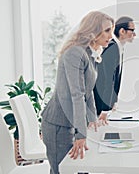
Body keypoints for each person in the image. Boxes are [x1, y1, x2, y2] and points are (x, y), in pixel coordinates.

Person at [41, 11, 114, 174]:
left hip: (71, 123)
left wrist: (92, 120)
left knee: (80, 169)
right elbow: (77, 94)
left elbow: (89, 94)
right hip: (58, 125)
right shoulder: (75, 52)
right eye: (107, 30)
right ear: (93, 31)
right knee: (61, 171)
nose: (111, 35)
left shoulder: (90, 54)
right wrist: (81, 133)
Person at [94, 16, 136, 123]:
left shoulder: (119, 47)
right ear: (122, 31)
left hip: (105, 106)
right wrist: (105, 110)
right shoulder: (112, 48)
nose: (134, 34)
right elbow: (108, 81)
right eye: (132, 30)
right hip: (99, 106)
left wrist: (113, 102)